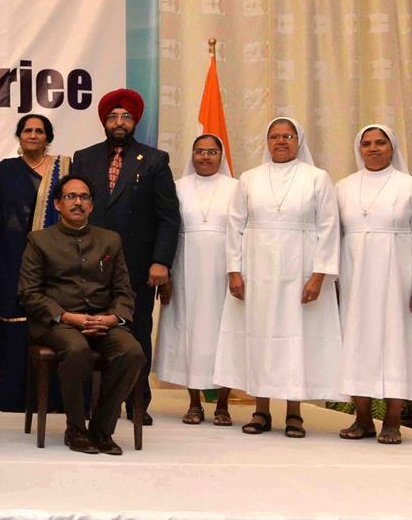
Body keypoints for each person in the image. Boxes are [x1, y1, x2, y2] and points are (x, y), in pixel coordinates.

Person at [213, 117, 341, 438]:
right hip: (257, 271)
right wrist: (234, 270)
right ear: (267, 142)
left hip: (301, 271)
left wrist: (319, 276)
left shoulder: (317, 178)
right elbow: (235, 227)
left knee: (297, 338)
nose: (281, 141)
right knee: (260, 337)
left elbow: (328, 227)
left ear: (299, 141)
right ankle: (261, 410)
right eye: (274, 136)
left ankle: (295, 413)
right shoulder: (249, 178)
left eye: (287, 136)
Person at [69, 88, 180, 426]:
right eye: (113, 116)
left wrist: (161, 261)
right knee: (92, 334)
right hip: (90, 264)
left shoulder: (155, 160)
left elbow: (168, 216)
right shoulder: (84, 157)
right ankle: (96, 403)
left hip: (137, 265)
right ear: (104, 121)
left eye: (126, 117)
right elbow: (75, 210)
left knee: (137, 331)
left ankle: (136, 402)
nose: (119, 122)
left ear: (135, 122)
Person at [18, 174, 145, 455]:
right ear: (58, 204)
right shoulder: (39, 240)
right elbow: (29, 293)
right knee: (76, 349)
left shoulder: (109, 240)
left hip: (104, 320)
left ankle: (101, 428)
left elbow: (124, 290)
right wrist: (66, 317)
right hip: (58, 322)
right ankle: (76, 428)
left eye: (84, 197)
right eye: (71, 197)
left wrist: (114, 318)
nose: (78, 202)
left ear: (91, 205)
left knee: (131, 351)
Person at [335, 124, 412, 445]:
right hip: (355, 278)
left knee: (397, 342)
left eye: (380, 143)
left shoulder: (411, 187)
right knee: (356, 343)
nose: (373, 149)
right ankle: (362, 419)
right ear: (359, 148)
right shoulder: (343, 187)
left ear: (392, 148)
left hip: (398, 280)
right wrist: (332, 281)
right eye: (367, 144)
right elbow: (332, 238)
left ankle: (392, 420)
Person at [0, 114, 71, 413]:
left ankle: (53, 397)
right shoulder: (4, 170)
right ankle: (13, 396)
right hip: (11, 253)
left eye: (39, 131)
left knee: (48, 315)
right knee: (13, 318)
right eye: (28, 131)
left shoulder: (63, 168)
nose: (33, 135)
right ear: (19, 136)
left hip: (53, 256)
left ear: (47, 137)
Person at [155, 135, 237, 424]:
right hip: (185, 269)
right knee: (189, 333)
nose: (205, 157)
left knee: (223, 334)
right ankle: (194, 403)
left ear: (221, 155)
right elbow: (166, 231)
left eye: (212, 152)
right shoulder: (177, 187)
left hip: (225, 273)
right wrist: (166, 275)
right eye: (200, 151)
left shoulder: (236, 188)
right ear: (192, 155)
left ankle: (223, 404)